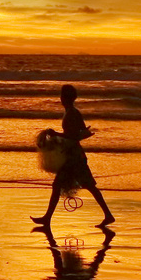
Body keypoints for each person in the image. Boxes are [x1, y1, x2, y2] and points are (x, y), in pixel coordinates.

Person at [32, 83, 114, 229]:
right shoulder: (73, 112)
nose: (61, 98)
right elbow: (81, 130)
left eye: (62, 95)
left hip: (74, 158)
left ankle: (47, 219)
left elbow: (72, 135)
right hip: (75, 155)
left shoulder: (71, 113)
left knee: (65, 185)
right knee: (87, 186)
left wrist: (56, 134)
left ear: (65, 98)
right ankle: (108, 215)